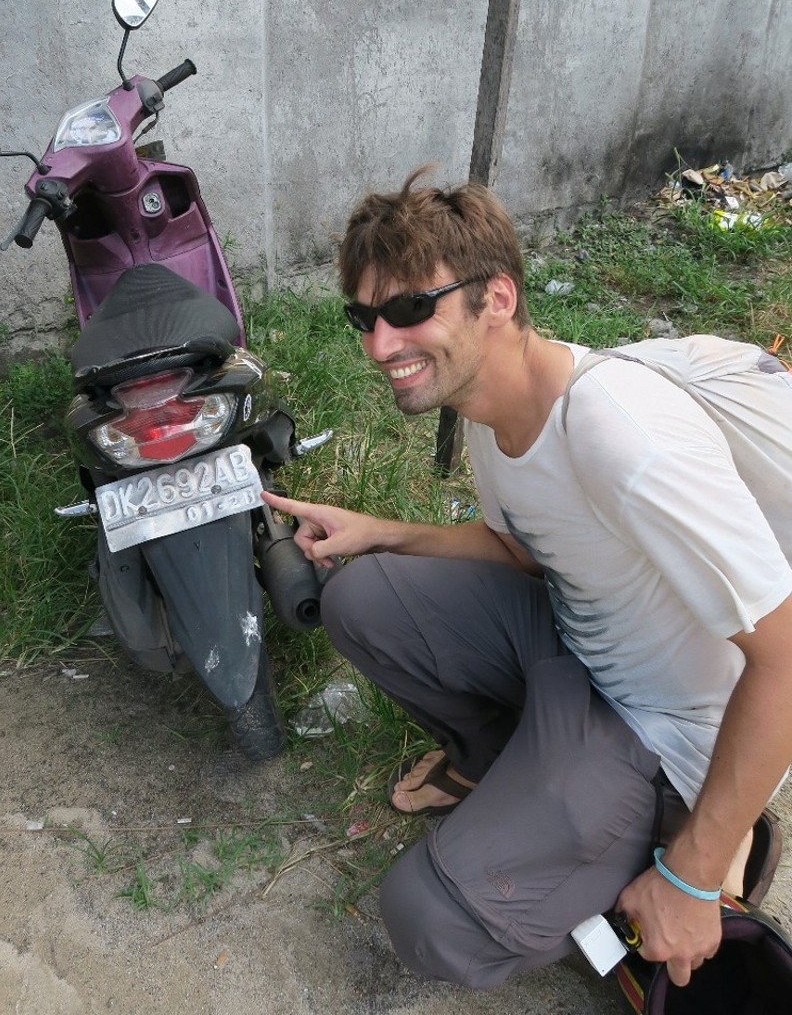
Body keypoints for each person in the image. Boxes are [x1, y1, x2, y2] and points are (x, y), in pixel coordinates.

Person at [263, 168, 792, 993]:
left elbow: (785, 657)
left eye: (410, 310)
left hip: (660, 729)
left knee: (428, 923)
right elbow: (525, 552)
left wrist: (689, 879)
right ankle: (499, 760)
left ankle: (711, 837)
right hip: (576, 647)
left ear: (497, 298)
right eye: (363, 318)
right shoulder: (490, 404)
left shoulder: (623, 437)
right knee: (361, 597)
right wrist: (382, 534)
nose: (379, 345)